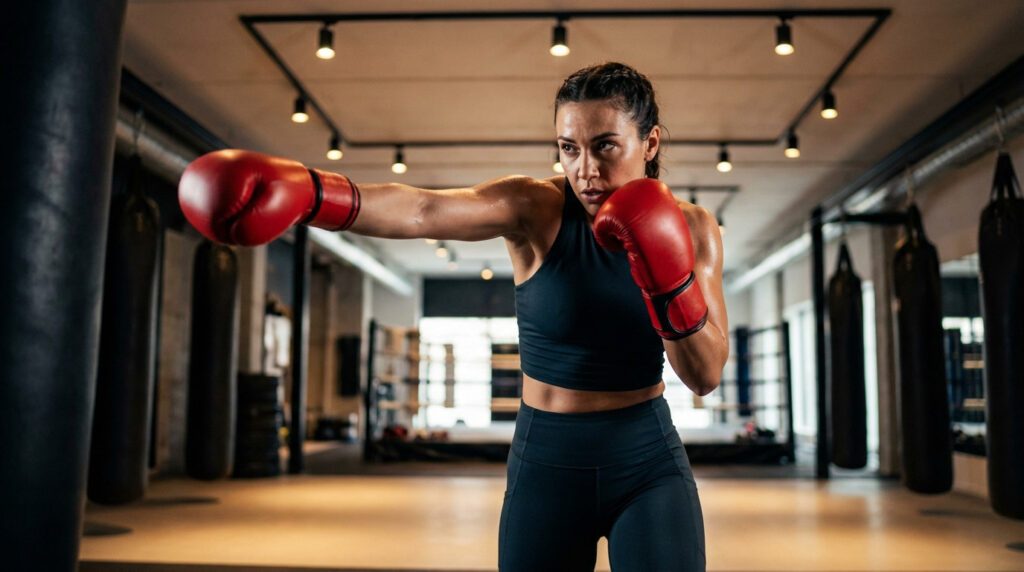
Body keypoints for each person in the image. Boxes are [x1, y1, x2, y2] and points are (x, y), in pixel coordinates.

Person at [178, 62, 728, 571]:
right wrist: (313, 194)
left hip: (646, 456)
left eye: (605, 146)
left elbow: (704, 374)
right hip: (547, 461)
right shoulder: (536, 208)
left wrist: (668, 279)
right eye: (569, 148)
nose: (585, 169)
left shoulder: (694, 228)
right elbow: (424, 209)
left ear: (649, 141)